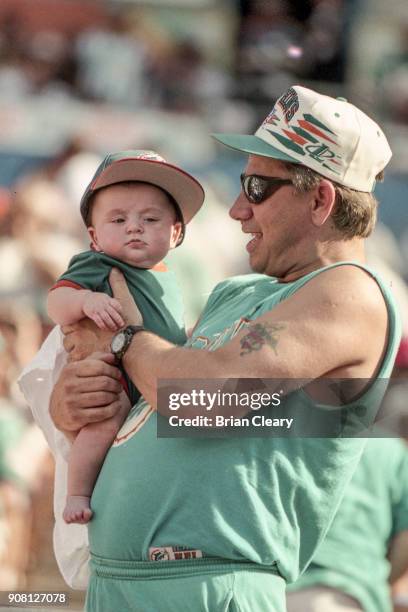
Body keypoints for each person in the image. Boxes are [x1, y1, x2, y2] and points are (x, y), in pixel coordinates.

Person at [20, 85, 401, 611]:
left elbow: (197, 398)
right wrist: (75, 405)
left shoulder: (351, 289)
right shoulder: (237, 292)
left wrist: (126, 337)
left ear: (320, 199)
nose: (237, 210)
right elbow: (159, 399)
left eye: (256, 187)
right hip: (129, 582)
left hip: (206, 586)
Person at [46, 149, 204, 525]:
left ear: (176, 232)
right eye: (118, 219)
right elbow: (56, 302)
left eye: (150, 219)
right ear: (94, 236)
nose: (134, 227)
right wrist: (85, 300)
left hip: (155, 390)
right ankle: (78, 492)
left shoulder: (170, 278)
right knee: (103, 420)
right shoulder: (97, 265)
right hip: (113, 379)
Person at [286, 436, 408, 612]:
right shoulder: (393, 453)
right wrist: (382, 582)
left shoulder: (283, 437)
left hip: (273, 591)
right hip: (346, 595)